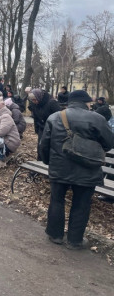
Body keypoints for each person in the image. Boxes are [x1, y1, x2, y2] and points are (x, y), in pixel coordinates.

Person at [40, 90, 114, 249]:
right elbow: (109, 143)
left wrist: (48, 162)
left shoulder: (55, 117)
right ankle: (75, 241)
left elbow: (44, 144)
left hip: (59, 168)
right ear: (86, 102)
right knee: (82, 203)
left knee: (57, 200)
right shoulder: (98, 118)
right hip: (87, 168)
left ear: (69, 102)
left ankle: (55, 235)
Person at [0, 97, 21, 168]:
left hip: (10, 141)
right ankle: (0, 156)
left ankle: (1, 160)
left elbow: (3, 131)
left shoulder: (6, 117)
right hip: (3, 140)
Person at [28, 88, 60, 159]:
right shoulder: (34, 104)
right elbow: (35, 118)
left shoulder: (52, 103)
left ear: (40, 97)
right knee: (41, 146)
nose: (34, 102)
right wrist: (36, 129)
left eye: (35, 100)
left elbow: (59, 116)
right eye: (32, 100)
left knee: (51, 146)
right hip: (42, 127)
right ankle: (40, 161)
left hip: (52, 128)